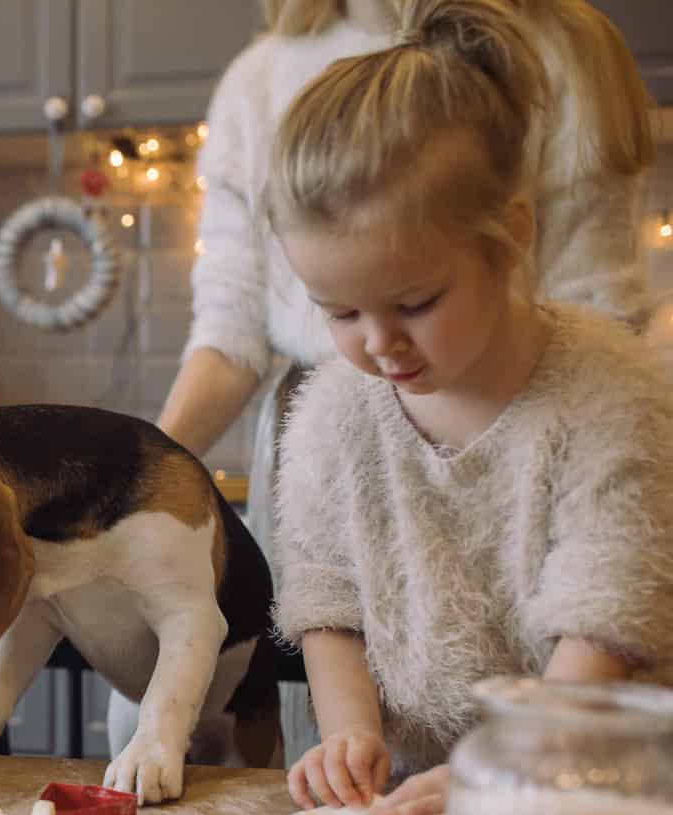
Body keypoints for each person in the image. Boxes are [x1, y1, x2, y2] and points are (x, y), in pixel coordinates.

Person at [157, 0, 655, 760]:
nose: (381, 343)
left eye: (416, 303)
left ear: (513, 236)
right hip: (414, 783)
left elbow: (605, 613)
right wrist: (352, 736)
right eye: (338, 311)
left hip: (578, 779)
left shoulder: (606, 399)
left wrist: (500, 775)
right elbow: (327, 598)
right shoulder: (333, 413)